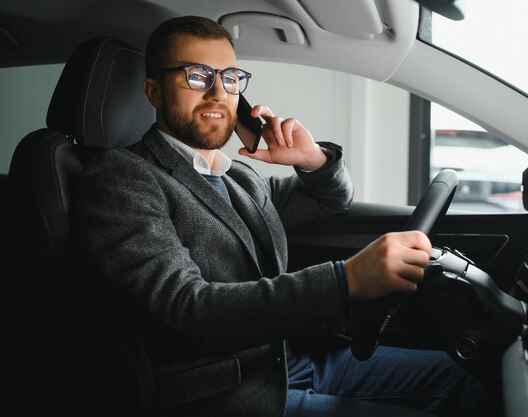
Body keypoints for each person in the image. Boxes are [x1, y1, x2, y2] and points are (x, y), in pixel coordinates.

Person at [74, 15, 484, 417]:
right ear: (154, 91)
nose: (219, 93)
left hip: (287, 361)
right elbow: (186, 310)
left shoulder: (237, 176)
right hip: (223, 394)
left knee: (467, 378)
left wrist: (313, 160)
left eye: (230, 78)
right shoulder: (122, 178)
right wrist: (348, 280)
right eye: (198, 76)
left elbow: (331, 199)